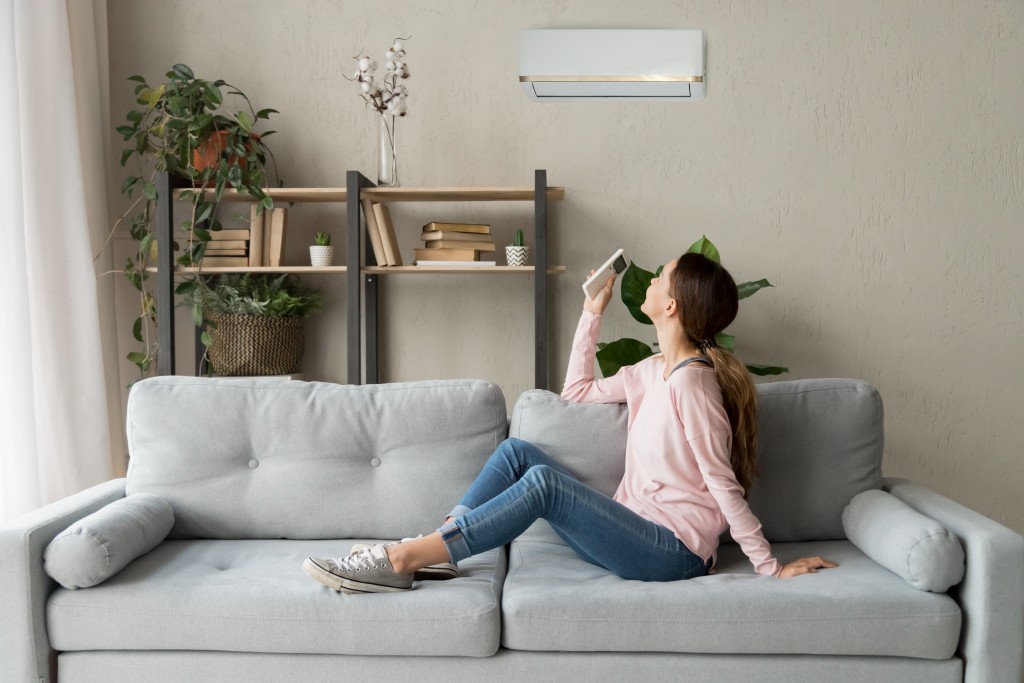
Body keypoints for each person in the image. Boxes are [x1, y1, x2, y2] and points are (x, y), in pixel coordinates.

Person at [303, 252, 837, 594]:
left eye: (662, 275)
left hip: (672, 553)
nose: (650, 277)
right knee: (518, 455)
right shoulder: (651, 371)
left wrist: (769, 566)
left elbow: (722, 482)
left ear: (671, 305)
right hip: (631, 530)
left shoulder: (692, 384)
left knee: (542, 485)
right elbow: (575, 393)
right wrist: (591, 311)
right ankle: (439, 547)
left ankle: (403, 558)